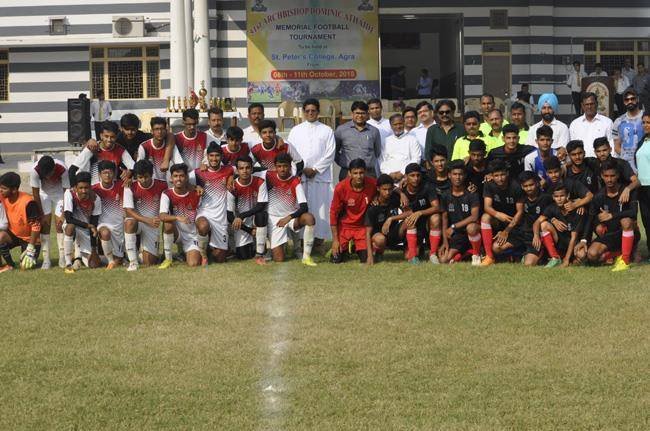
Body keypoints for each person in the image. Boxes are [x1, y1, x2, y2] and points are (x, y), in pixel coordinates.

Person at [575, 159, 638, 272]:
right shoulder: (598, 196)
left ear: (618, 175)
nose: (609, 179)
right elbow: (590, 218)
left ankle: (625, 261)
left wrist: (612, 215)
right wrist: (583, 240)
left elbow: (633, 212)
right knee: (591, 255)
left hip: (628, 232)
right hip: (610, 234)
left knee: (626, 221)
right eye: (606, 176)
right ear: (602, 176)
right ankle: (619, 253)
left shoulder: (627, 191)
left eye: (612, 176)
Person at [288, 98, 336, 244]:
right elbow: (290, 152)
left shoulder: (327, 130)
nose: (310, 113)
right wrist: (301, 170)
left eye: (313, 110)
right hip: (301, 176)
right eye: (307, 111)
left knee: (321, 209)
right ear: (303, 112)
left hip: (320, 177)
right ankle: (302, 241)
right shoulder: (295, 131)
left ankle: (319, 241)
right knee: (302, 207)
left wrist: (316, 169)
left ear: (318, 112)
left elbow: (330, 153)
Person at [266, 153, 317, 266]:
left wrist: (288, 218)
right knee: (279, 259)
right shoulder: (268, 176)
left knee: (309, 218)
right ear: (275, 167)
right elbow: (249, 171)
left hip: (290, 218)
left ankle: (306, 257)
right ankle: (275, 247)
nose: (282, 169)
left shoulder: (295, 181)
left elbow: (304, 207)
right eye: (279, 166)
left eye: (285, 166)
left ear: (290, 166)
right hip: (274, 219)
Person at [191, 143, 234, 265]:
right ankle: (203, 256)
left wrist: (232, 177)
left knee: (220, 259)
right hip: (205, 212)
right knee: (203, 226)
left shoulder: (229, 169)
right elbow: (182, 182)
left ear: (221, 157)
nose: (214, 159)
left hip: (221, 218)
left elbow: (246, 169)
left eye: (217, 156)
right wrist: (195, 187)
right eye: (211, 156)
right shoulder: (198, 172)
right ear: (207, 156)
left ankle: (210, 247)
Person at [123, 159, 168, 271]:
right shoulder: (130, 186)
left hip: (153, 225)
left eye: (146, 177)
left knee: (150, 262)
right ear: (136, 177)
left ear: (152, 174)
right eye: (140, 177)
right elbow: (128, 211)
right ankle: (133, 262)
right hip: (139, 222)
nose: (143, 180)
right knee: (129, 222)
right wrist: (147, 220)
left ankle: (136, 252)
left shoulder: (162, 185)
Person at [330, 158, 377, 263]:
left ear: (365, 172)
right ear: (349, 173)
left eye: (361, 173)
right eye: (355, 173)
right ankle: (345, 248)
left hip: (361, 228)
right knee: (336, 260)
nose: (359, 176)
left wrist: (400, 193)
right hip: (344, 227)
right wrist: (335, 240)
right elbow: (333, 213)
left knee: (365, 259)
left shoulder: (372, 183)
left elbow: (385, 186)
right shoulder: (340, 187)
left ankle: (355, 246)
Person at [479, 160, 525, 266]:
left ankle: (519, 253)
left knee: (496, 247)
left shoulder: (516, 186)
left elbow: (520, 212)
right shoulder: (489, 185)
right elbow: (487, 207)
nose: (500, 178)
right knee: (485, 217)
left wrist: (506, 231)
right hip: (500, 220)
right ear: (492, 176)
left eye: (502, 174)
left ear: (507, 173)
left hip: (515, 224)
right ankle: (489, 257)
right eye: (496, 175)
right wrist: (498, 215)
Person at [158, 163, 202, 268]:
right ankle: (168, 259)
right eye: (175, 176)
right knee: (168, 223)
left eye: (181, 176)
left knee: (194, 264)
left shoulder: (196, 194)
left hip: (192, 235)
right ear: (171, 178)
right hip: (177, 233)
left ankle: (186, 252)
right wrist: (177, 217)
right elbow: (162, 216)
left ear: (186, 177)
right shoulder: (167, 193)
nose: (178, 179)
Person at [438, 160, 482, 265]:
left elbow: (474, 217)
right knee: (443, 260)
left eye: (460, 174)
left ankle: (476, 254)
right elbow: (444, 219)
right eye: (455, 174)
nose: (458, 177)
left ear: (465, 175)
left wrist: (453, 226)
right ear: (449, 175)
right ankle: (464, 254)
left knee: (471, 227)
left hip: (471, 230)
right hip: (457, 235)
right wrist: (445, 241)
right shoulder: (445, 195)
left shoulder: (472, 194)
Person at [227, 155, 268, 263]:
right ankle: (256, 243)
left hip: (256, 219)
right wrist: (249, 230)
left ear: (252, 169)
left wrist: (241, 216)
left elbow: (261, 205)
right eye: (241, 168)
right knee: (243, 256)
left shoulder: (260, 182)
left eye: (247, 167)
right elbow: (229, 216)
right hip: (242, 224)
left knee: (261, 215)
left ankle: (260, 253)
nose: (244, 171)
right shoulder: (232, 187)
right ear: (237, 170)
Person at [30, 155, 69, 269]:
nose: (47, 177)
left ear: (54, 168)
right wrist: (41, 215)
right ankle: (46, 260)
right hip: (43, 194)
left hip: (59, 194)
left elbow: (66, 193)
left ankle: (62, 257)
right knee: (45, 224)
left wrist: (64, 213)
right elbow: (36, 194)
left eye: (49, 173)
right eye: (45, 174)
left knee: (60, 225)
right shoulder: (34, 171)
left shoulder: (62, 168)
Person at [401, 163, 443, 265]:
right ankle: (414, 255)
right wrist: (399, 192)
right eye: (412, 175)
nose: (416, 178)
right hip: (413, 225)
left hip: (427, 222)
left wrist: (420, 212)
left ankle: (433, 254)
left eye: (418, 175)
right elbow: (385, 186)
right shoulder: (402, 190)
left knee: (436, 218)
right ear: (406, 176)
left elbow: (437, 207)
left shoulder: (427, 186)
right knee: (407, 255)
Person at [69, 120, 134, 185]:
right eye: (106, 136)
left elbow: (134, 167)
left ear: (116, 136)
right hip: (94, 188)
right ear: (101, 136)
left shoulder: (120, 150)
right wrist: (73, 187)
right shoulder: (92, 147)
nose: (109, 140)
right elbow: (72, 170)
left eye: (112, 137)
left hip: (112, 188)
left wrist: (129, 172)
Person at [0, 172, 42, 272]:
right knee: (0, 237)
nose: (0, 190)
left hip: (30, 239)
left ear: (14, 190)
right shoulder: (3, 196)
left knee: (25, 267)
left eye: (4, 188)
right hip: (14, 235)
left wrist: (31, 248)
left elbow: (36, 226)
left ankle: (29, 253)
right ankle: (10, 265)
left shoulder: (28, 202)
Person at [62, 171, 102, 273]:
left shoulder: (96, 199)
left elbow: (94, 225)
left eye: (86, 188)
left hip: (86, 231)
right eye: (81, 188)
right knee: (70, 227)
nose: (84, 191)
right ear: (75, 187)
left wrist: (94, 250)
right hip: (74, 226)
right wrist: (88, 225)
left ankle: (79, 258)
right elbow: (68, 218)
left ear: (90, 187)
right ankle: (68, 263)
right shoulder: (69, 194)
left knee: (94, 265)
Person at [538, 183, 585, 268]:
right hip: (559, 241)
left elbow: (574, 238)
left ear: (568, 196)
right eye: (556, 196)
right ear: (553, 197)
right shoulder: (551, 208)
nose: (559, 199)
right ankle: (555, 258)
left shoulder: (577, 210)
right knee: (544, 224)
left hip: (572, 242)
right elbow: (537, 222)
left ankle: (568, 258)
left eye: (562, 196)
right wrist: (552, 220)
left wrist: (566, 260)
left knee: (582, 255)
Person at [364, 174, 406, 265]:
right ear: (378, 189)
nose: (387, 192)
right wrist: (369, 256)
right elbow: (368, 233)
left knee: (409, 221)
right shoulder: (373, 206)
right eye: (384, 189)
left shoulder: (395, 198)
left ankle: (411, 252)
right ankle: (378, 253)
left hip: (393, 233)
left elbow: (409, 213)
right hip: (379, 236)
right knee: (380, 239)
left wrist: (391, 219)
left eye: (390, 189)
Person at [334, 101, 382, 179]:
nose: (360, 116)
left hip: (368, 173)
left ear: (367, 114)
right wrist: (343, 163)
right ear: (352, 114)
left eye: (363, 113)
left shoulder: (374, 131)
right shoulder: (341, 130)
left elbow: (377, 152)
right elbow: (335, 151)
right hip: (347, 173)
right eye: (357, 113)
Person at [91, 160, 125, 269]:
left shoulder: (121, 186)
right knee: (105, 233)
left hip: (119, 226)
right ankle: (110, 261)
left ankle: (111, 258)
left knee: (119, 261)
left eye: (110, 172)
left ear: (114, 173)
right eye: (104, 173)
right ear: (99, 174)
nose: (107, 175)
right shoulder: (94, 189)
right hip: (103, 224)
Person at [518, 171, 553, 266]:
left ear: (537, 183)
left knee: (528, 264)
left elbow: (553, 214)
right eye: (526, 186)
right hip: (526, 234)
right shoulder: (521, 198)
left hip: (540, 235)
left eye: (531, 185)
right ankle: (521, 253)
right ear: (522, 186)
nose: (529, 188)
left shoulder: (546, 198)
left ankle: (545, 253)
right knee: (497, 247)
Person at [569, 92, 614, 159]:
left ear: (597, 104)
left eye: (592, 104)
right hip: (581, 163)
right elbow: (572, 148)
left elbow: (612, 145)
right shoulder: (574, 124)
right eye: (586, 104)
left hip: (602, 162)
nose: (589, 107)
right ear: (582, 105)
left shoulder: (607, 122)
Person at [137, 116, 182, 182]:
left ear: (166, 131)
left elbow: (180, 164)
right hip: (149, 183)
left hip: (165, 183)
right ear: (151, 131)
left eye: (162, 129)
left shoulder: (171, 146)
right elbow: (138, 168)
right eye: (156, 129)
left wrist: (175, 175)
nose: (160, 132)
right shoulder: (144, 146)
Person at [379, 113, 422, 182]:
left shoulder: (412, 139)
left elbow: (416, 159)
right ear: (391, 126)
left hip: (407, 178)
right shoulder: (386, 141)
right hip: (390, 178)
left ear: (404, 123)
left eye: (400, 124)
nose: (398, 126)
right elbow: (382, 160)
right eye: (395, 124)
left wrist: (402, 172)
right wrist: (389, 173)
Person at [612, 89, 645, 171]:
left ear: (637, 99)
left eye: (632, 99)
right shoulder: (618, 121)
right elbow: (617, 146)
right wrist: (626, 159)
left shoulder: (646, 118)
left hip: (645, 162)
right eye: (627, 100)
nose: (630, 101)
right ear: (624, 102)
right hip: (627, 166)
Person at [634, 111, 650, 258]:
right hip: (642, 188)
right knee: (646, 219)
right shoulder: (642, 141)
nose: (645, 125)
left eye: (648, 122)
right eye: (643, 122)